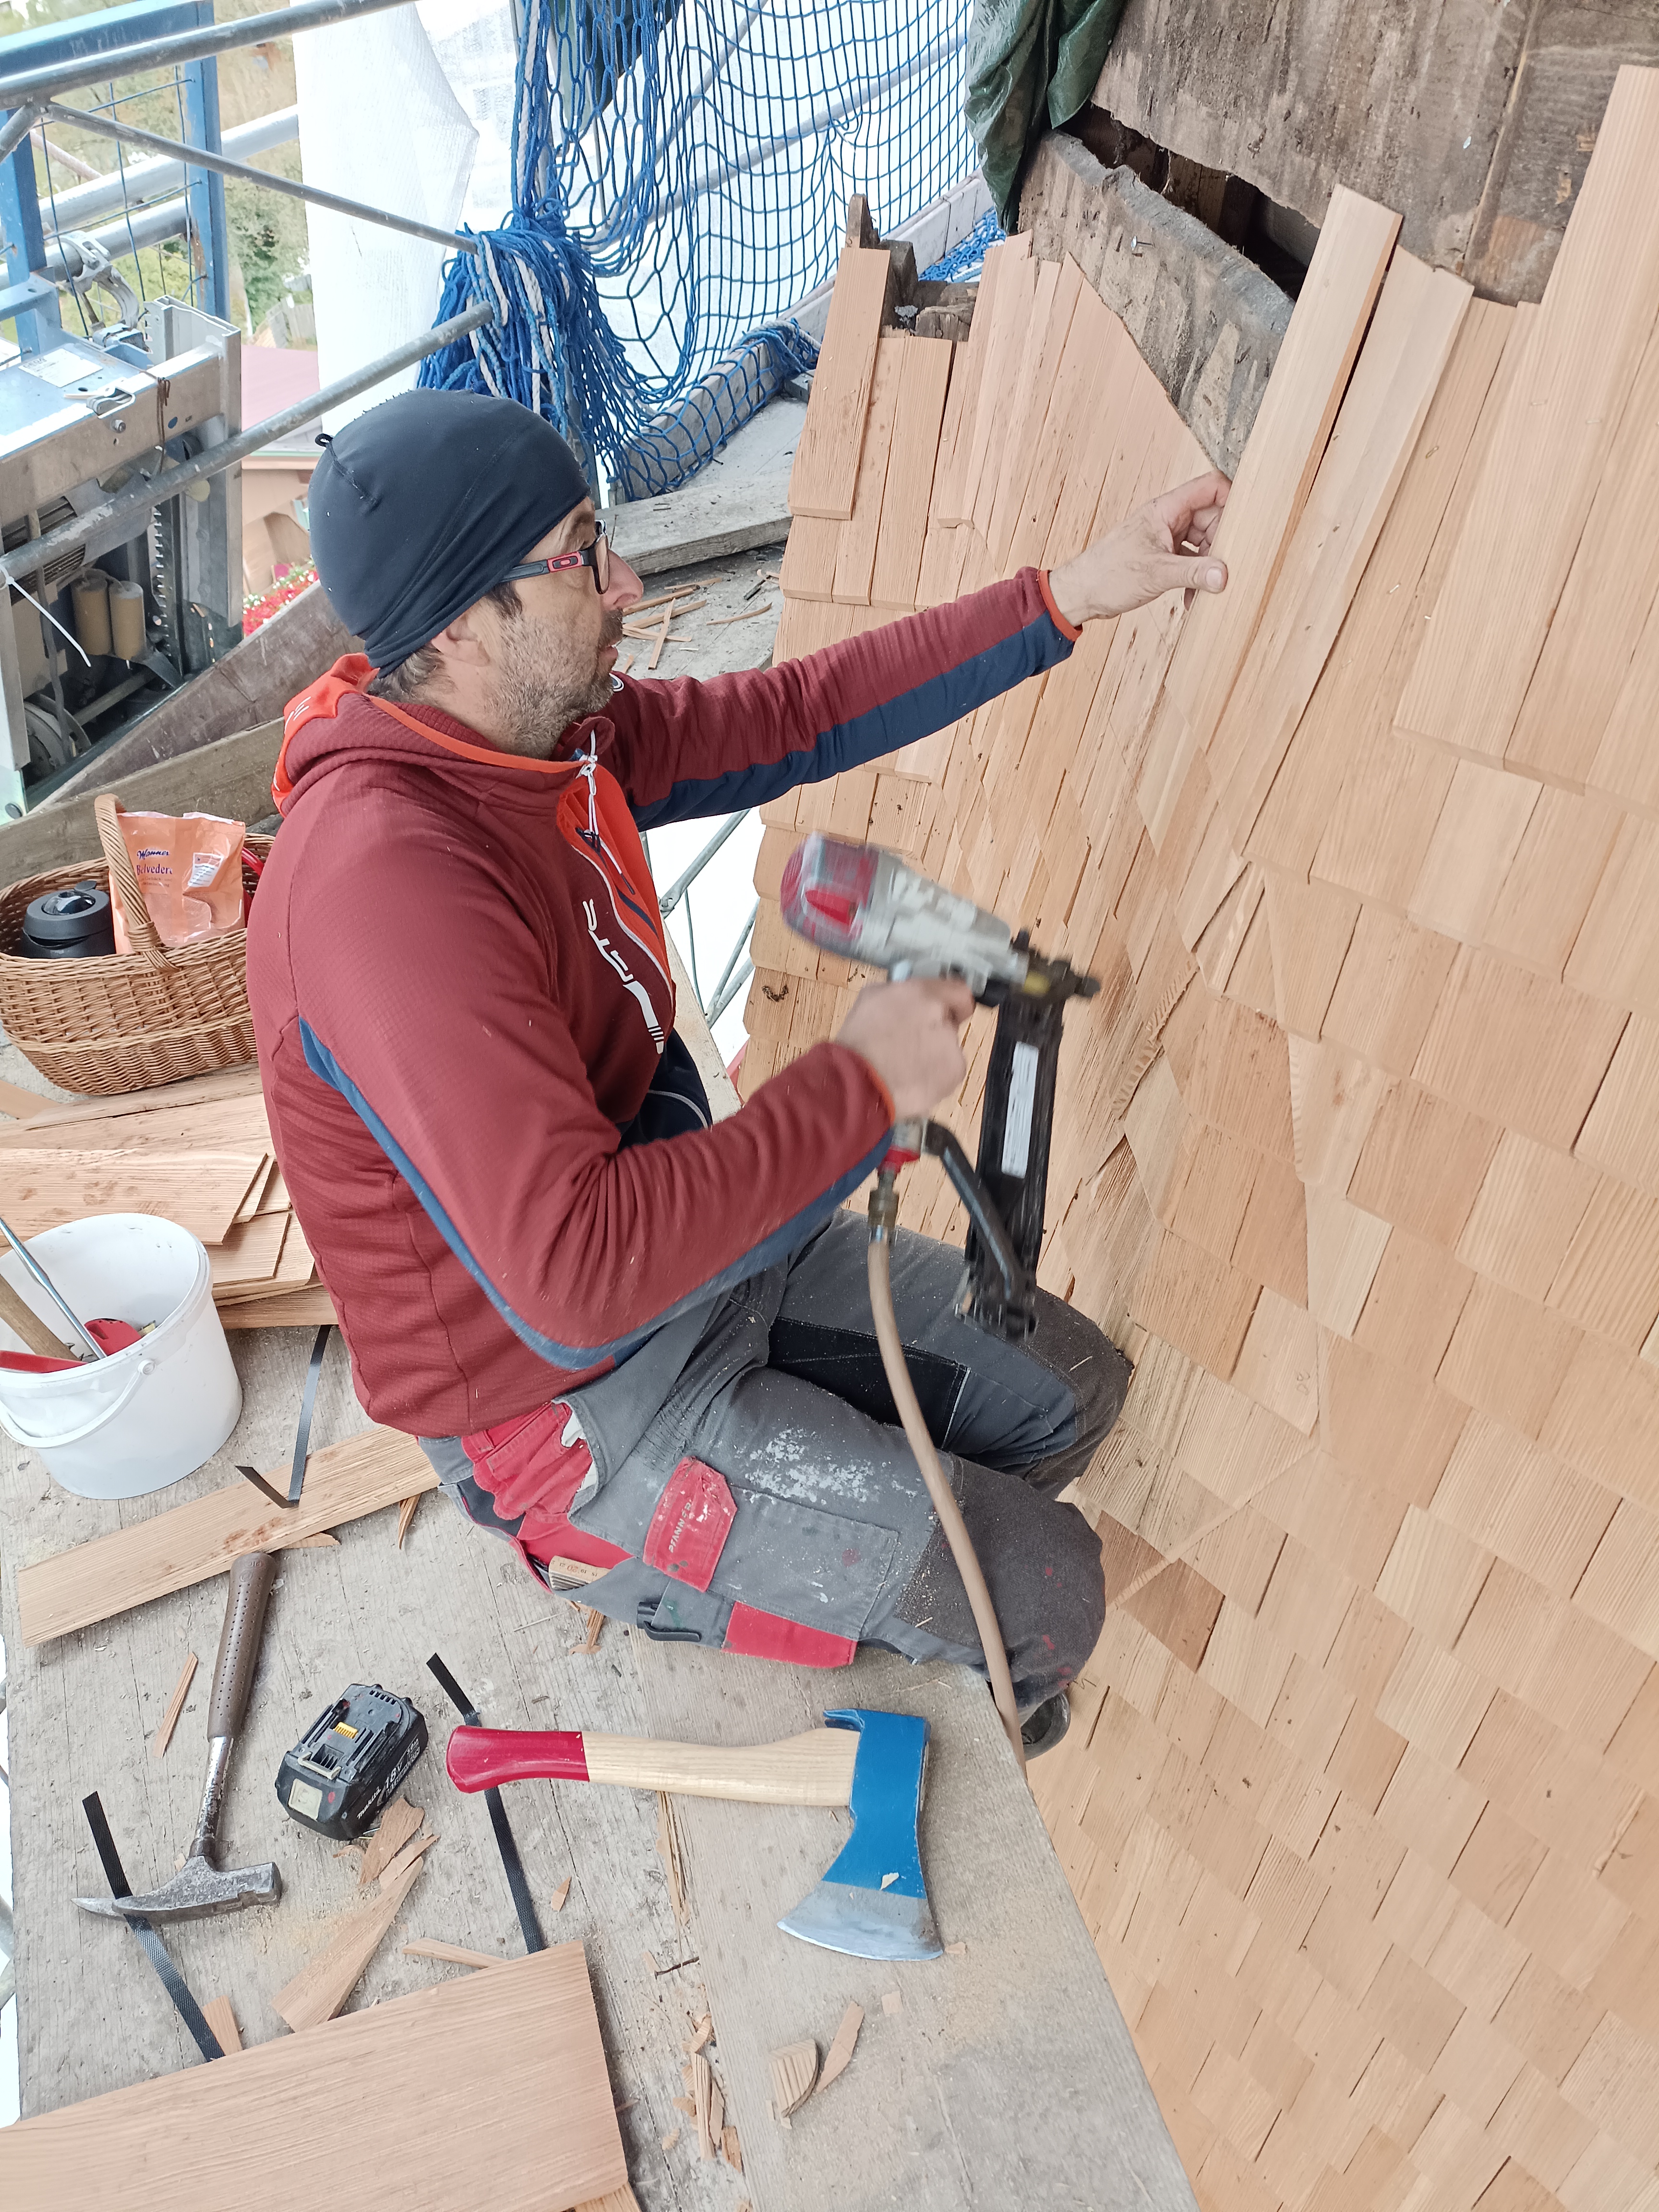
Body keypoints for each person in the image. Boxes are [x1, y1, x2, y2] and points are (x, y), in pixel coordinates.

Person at [247, 386, 1227, 1750]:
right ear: (463, 623)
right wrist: (856, 1090)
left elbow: (792, 714)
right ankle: (660, 1570)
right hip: (563, 1404)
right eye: (581, 555)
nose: (627, 583)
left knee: (1071, 1395)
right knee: (1051, 1600)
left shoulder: (542, 735)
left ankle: (862, 1542)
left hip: (695, 1252)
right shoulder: (384, 889)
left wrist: (1064, 596)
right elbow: (575, 1280)